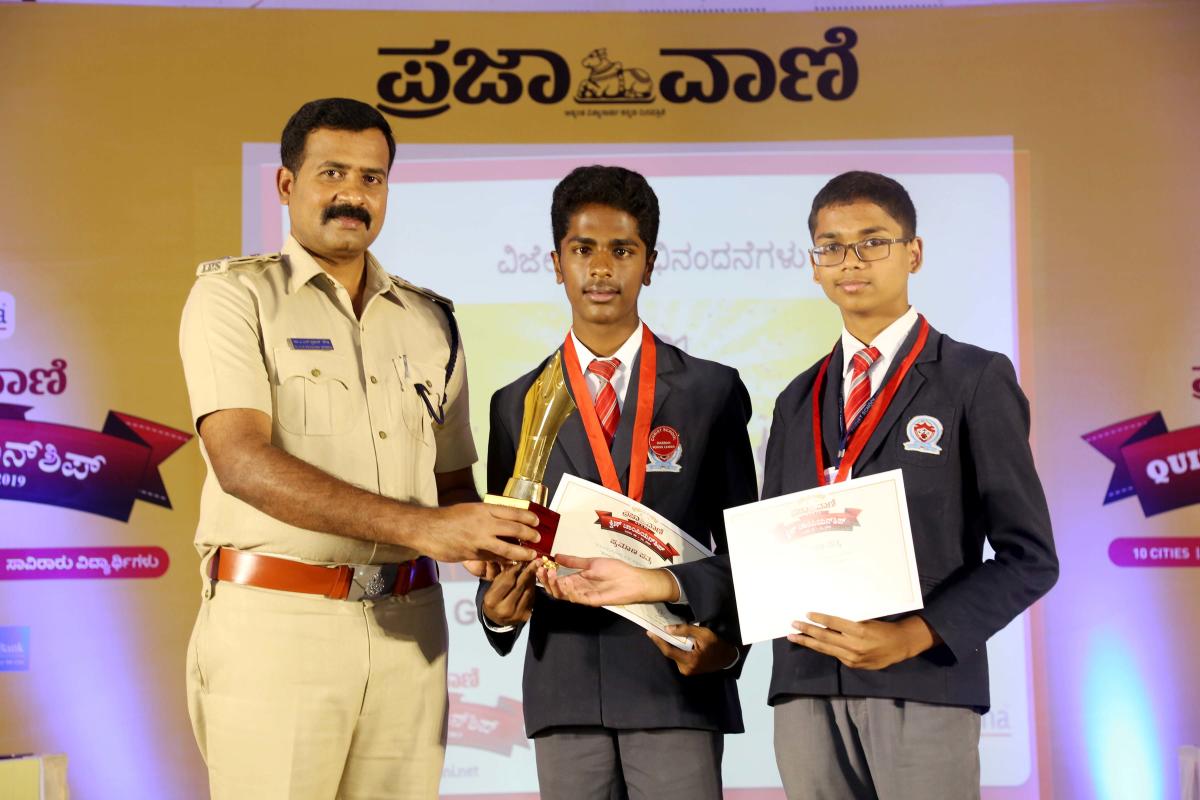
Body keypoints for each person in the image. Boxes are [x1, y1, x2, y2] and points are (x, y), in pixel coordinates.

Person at [546, 170, 1059, 799]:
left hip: (922, 682)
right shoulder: (796, 399)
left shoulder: (973, 378)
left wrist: (913, 635)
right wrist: (709, 630)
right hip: (805, 690)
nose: (851, 260)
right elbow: (762, 554)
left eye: (873, 242)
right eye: (831, 246)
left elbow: (1029, 559)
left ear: (913, 252)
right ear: (814, 265)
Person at [178, 97, 539, 800]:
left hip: (412, 632)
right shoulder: (234, 298)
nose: (353, 194)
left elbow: (451, 491)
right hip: (278, 625)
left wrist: (499, 559)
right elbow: (241, 463)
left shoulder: (432, 321)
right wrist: (425, 528)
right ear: (287, 185)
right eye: (332, 173)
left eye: (372, 178)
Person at [476, 165, 758, 800]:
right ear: (555, 263)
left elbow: (747, 549)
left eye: (622, 250)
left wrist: (723, 647)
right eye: (582, 249)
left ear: (649, 264)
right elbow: (508, 547)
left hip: (675, 679)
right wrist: (496, 614)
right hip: (565, 688)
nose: (601, 268)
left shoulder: (711, 393)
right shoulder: (514, 404)